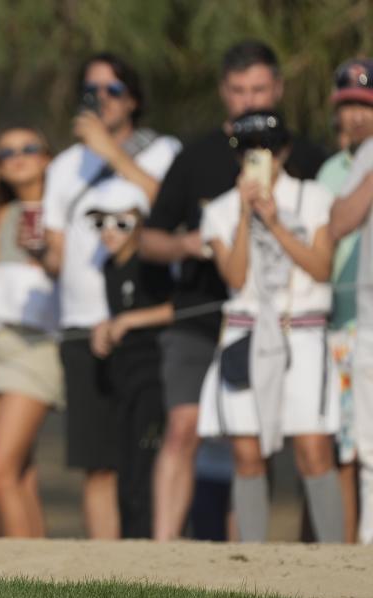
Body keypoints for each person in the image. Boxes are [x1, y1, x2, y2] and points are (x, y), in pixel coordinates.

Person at [140, 40, 328, 541]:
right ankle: (169, 554)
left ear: (278, 88)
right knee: (192, 430)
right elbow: (151, 237)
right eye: (240, 91)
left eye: (260, 88)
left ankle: (318, 555)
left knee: (307, 443)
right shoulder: (195, 156)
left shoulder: (307, 157)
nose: (250, 100)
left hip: (294, 325)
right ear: (224, 92)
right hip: (205, 319)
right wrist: (193, 242)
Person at [33, 52, 181, 539]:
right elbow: (57, 255)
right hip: (80, 322)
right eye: (92, 90)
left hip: (143, 325)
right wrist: (37, 253)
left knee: (147, 453)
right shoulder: (64, 167)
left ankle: (151, 563)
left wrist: (113, 155)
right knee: (97, 462)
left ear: (133, 99)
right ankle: (106, 572)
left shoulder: (162, 151)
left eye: (113, 89)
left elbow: (173, 210)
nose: (101, 99)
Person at [197, 110, 343, 543]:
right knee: (246, 453)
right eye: (247, 149)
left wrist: (275, 223)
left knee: (314, 450)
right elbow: (236, 277)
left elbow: (320, 268)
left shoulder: (314, 197)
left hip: (304, 331)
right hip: (245, 332)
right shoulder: (221, 209)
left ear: (284, 151)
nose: (258, 157)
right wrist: (246, 215)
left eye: (268, 147)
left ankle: (338, 559)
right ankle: (254, 563)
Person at [0, 125, 63, 537]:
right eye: (6, 153)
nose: (17, 157)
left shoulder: (65, 209)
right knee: (18, 471)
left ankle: (23, 575)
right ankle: (36, 567)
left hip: (36, 346)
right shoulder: (2, 214)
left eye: (28, 148)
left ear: (47, 157)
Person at [84, 182, 173, 538]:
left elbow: (178, 308)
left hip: (153, 376)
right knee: (123, 465)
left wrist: (128, 320)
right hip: (122, 377)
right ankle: (129, 548)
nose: (109, 232)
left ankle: (147, 545)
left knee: (144, 465)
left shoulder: (152, 264)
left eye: (121, 223)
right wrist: (106, 327)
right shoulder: (108, 266)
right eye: (101, 223)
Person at [317, 59, 373, 544]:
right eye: (348, 107)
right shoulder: (334, 168)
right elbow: (336, 225)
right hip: (346, 323)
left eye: (365, 106)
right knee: (349, 447)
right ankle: (349, 548)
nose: (356, 116)